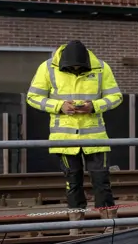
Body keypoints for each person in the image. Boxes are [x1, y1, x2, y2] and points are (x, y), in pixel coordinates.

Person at [26, 40, 123, 216]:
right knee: (73, 181)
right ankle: (76, 222)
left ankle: (109, 222)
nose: (77, 70)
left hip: (95, 137)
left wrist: (94, 106)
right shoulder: (47, 68)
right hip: (64, 137)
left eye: (81, 68)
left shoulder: (101, 67)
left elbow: (115, 97)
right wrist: (59, 106)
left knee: (101, 179)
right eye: (73, 68)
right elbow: (32, 97)